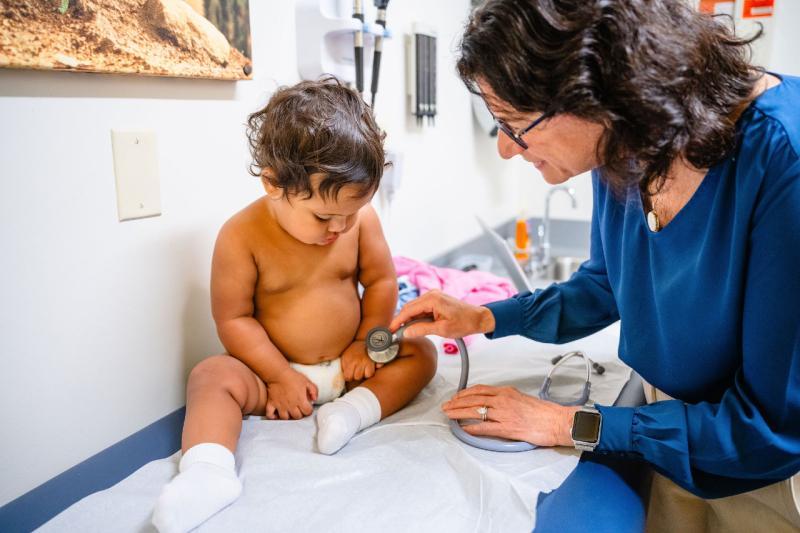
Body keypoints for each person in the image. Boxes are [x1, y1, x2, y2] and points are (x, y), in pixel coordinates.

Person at [391, 1, 800, 531]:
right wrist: (485, 318)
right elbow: (609, 283)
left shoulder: (781, 160)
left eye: (513, 125)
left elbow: (769, 429)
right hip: (675, 442)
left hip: (767, 472)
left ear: (593, 95)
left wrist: (568, 423)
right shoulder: (627, 143)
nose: (506, 149)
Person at [152, 77, 437, 533]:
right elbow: (234, 318)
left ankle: (353, 411)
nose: (340, 228)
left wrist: (367, 340)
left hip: (352, 365)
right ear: (273, 184)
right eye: (325, 216)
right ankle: (208, 471)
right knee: (211, 376)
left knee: (422, 352)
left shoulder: (357, 223)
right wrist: (278, 376)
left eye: (351, 213)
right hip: (278, 376)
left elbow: (382, 279)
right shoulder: (240, 236)